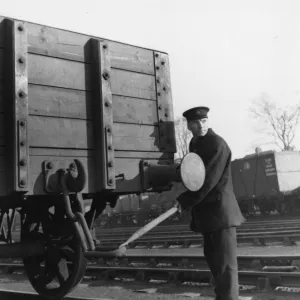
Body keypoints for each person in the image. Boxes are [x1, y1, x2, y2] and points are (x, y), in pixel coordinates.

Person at [176, 106, 246, 300]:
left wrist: (185, 200)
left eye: (204, 121)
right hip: (208, 213)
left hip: (220, 212)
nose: (200, 126)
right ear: (189, 125)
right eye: (196, 123)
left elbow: (207, 180)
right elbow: (192, 175)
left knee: (226, 265)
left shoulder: (216, 144)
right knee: (214, 261)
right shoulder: (195, 143)